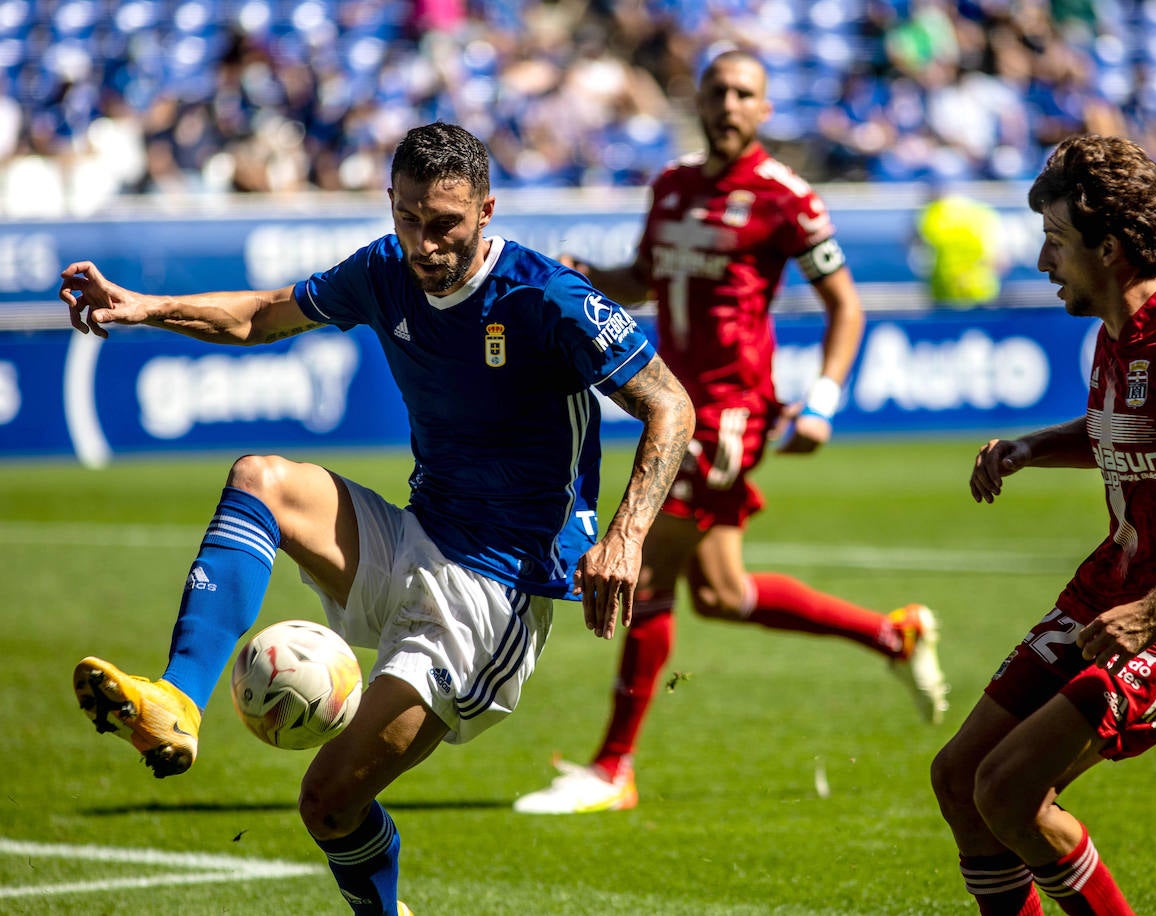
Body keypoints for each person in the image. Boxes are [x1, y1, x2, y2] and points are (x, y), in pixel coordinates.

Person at [61, 121, 694, 915]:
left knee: (327, 802)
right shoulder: (384, 271)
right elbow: (262, 314)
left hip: (493, 593)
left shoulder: (546, 297)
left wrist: (625, 537)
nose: (425, 246)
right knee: (260, 478)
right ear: (390, 205)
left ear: (487, 211)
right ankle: (177, 705)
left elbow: (670, 404)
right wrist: (143, 306)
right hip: (416, 534)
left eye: (446, 226)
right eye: (408, 220)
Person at [511, 49, 948, 816]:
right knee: (719, 593)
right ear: (700, 101)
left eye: (745, 93)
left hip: (724, 419)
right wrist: (579, 271)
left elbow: (846, 304)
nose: (729, 104)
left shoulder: (787, 198)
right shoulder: (674, 185)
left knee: (641, 571)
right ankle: (894, 636)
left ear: (765, 108)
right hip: (670, 409)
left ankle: (613, 769)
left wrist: (822, 400)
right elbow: (644, 279)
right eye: (717, 91)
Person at [930, 134, 1156, 914]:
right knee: (959, 779)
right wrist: (1034, 447)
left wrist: (1155, 611)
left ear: (1112, 248)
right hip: (1113, 590)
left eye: (1055, 242)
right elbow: (1123, 432)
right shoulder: (1113, 339)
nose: (1041, 262)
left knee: (1010, 790)